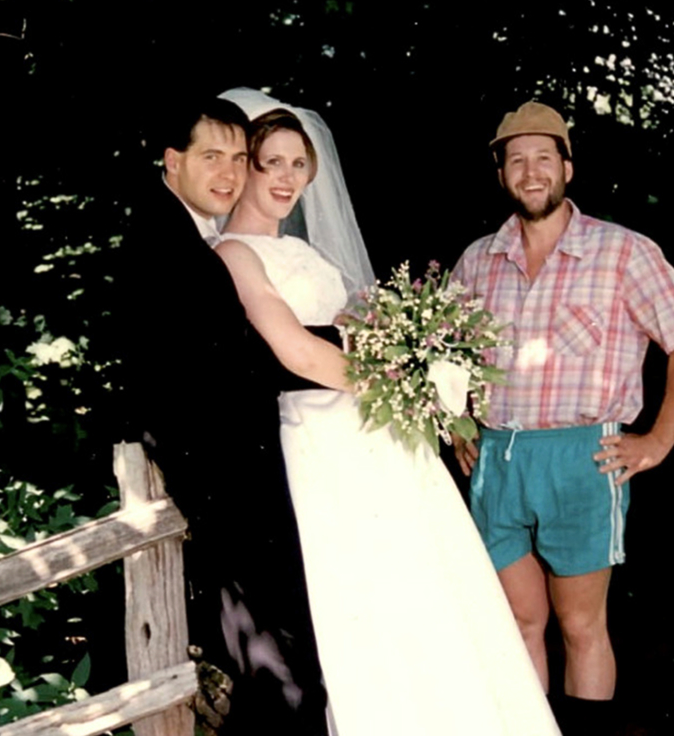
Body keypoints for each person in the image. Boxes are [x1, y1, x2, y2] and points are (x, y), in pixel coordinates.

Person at [214, 87, 561, 736]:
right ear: (245, 169)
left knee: (431, 587)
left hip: (373, 434)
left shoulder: (312, 255)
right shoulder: (235, 255)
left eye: (300, 164)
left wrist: (420, 364)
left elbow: (358, 330)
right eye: (274, 164)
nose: (290, 179)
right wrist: (396, 382)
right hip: (319, 436)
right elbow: (298, 353)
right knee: (366, 596)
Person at [451, 101, 674, 734]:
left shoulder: (622, 252)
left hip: (582, 460)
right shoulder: (478, 260)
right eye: (516, 159)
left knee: (580, 624)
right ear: (501, 174)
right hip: (497, 460)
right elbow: (446, 354)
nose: (531, 170)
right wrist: (459, 421)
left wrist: (658, 440)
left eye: (545, 156)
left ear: (568, 166)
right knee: (517, 622)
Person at [120, 96, 328, 735]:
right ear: (173, 160)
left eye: (240, 158)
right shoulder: (164, 242)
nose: (230, 173)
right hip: (226, 482)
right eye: (213, 156)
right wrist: (362, 353)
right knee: (282, 670)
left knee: (280, 667)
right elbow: (226, 366)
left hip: (244, 474)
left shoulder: (190, 235)